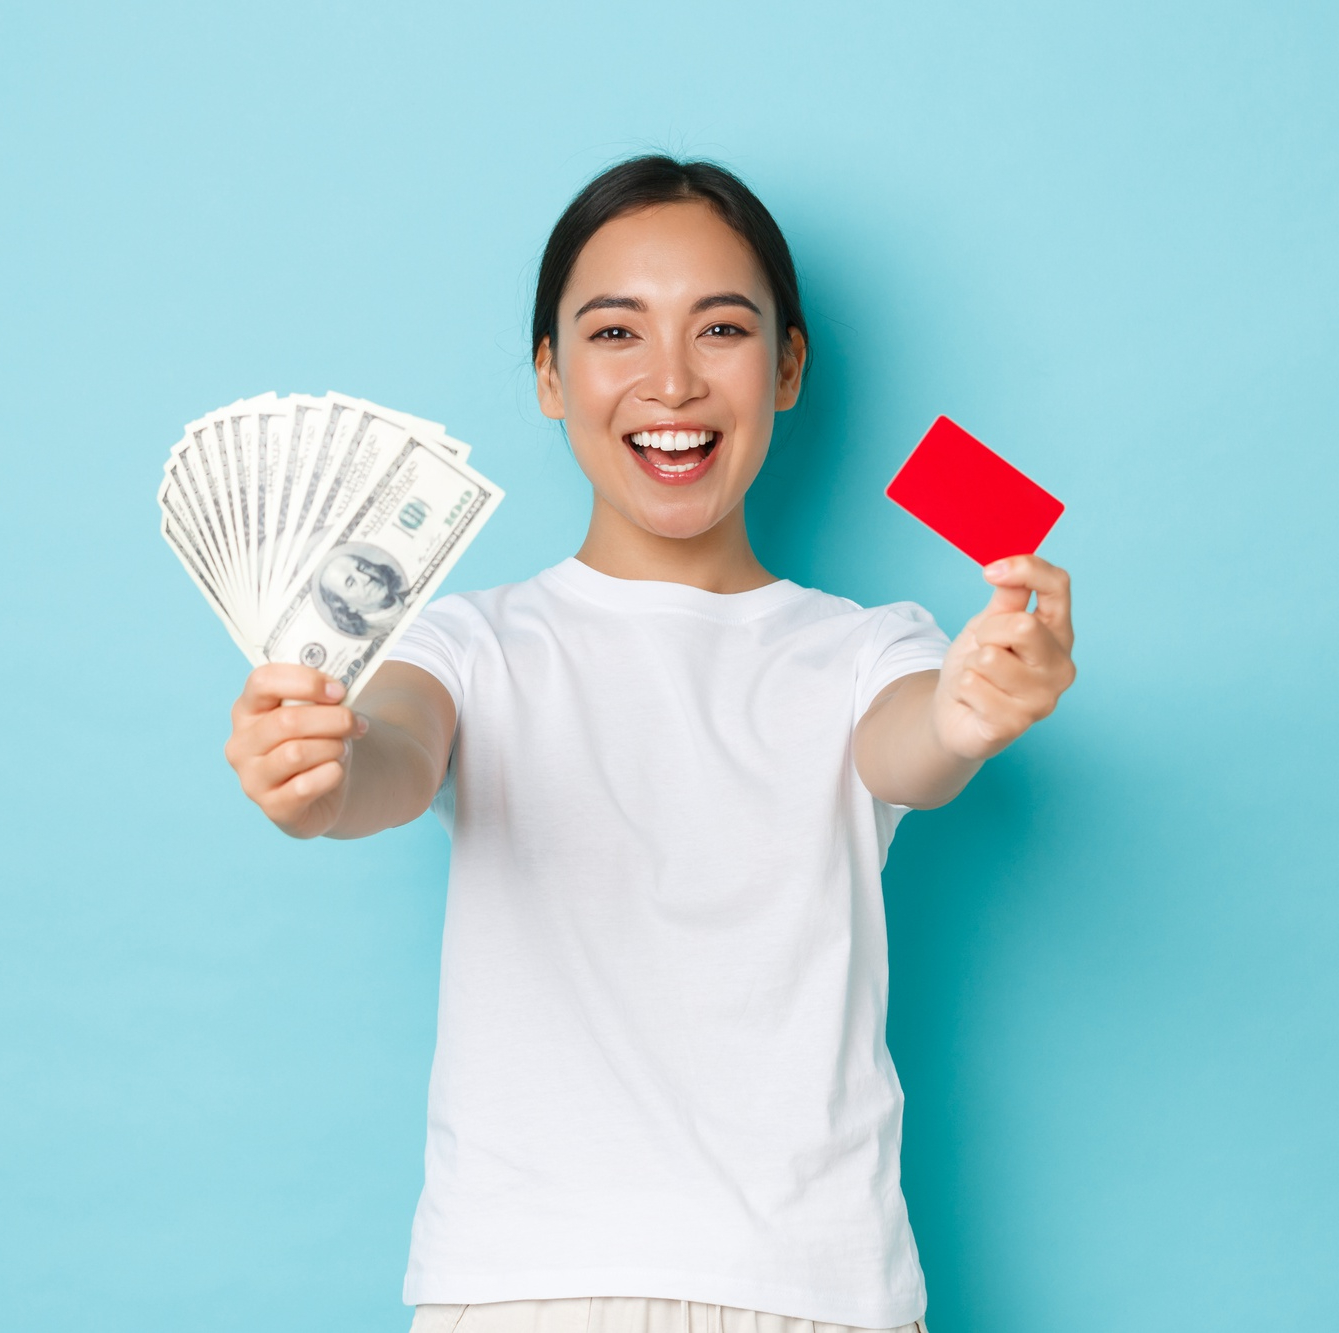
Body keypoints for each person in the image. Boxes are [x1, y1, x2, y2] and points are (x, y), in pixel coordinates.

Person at [221, 156, 1077, 1333]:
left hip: (810, 1289)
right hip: (518, 1289)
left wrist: (967, 712)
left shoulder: (868, 648)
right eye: (615, 330)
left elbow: (913, 744)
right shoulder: (470, 642)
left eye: (719, 328)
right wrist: (318, 777)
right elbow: (391, 755)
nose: (669, 380)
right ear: (547, 377)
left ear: (785, 369)